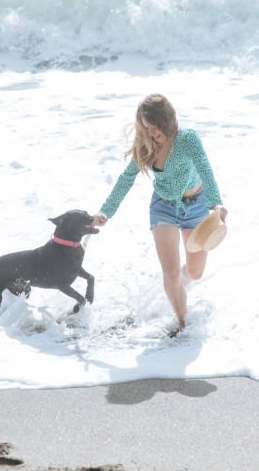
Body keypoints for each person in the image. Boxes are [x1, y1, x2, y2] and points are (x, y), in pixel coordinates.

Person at [92, 94, 228, 333]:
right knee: (171, 272)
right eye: (146, 128)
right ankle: (183, 323)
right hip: (163, 207)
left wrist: (216, 204)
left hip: (196, 206)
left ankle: (178, 291)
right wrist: (106, 212)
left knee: (195, 273)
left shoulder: (187, 139)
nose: (152, 133)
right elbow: (126, 179)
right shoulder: (146, 145)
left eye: (155, 128)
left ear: (168, 121)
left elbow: (205, 167)